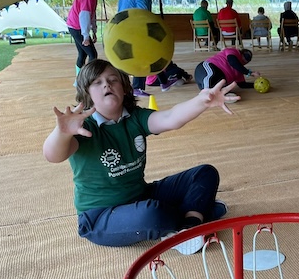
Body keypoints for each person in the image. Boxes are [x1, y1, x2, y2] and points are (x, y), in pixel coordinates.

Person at [42, 59, 239, 254]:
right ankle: (196, 211)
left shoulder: (135, 117)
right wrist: (62, 133)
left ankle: (190, 225)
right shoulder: (83, 127)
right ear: (87, 93)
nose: (107, 85)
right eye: (97, 82)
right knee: (151, 213)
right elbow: (53, 155)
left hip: (141, 195)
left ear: (124, 87)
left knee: (204, 173)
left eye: (113, 80)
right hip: (100, 216)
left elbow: (171, 118)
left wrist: (202, 101)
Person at [117, 0, 186, 97]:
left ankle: (164, 82)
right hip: (137, 25)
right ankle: (138, 86)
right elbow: (143, 10)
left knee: (152, 53)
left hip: (124, 25)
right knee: (144, 54)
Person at [66, 0, 111, 83]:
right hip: (76, 27)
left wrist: (94, 31)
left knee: (83, 54)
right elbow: (84, 16)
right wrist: (86, 36)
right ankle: (88, 80)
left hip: (75, 26)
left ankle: (79, 81)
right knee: (92, 54)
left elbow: (92, 15)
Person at [194, 48, 261, 91]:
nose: (244, 61)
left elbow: (242, 84)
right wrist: (249, 72)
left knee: (221, 87)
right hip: (208, 68)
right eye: (244, 58)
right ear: (241, 53)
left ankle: (209, 92)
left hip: (219, 79)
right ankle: (206, 91)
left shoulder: (240, 70)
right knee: (211, 76)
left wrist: (258, 84)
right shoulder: (233, 51)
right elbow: (232, 62)